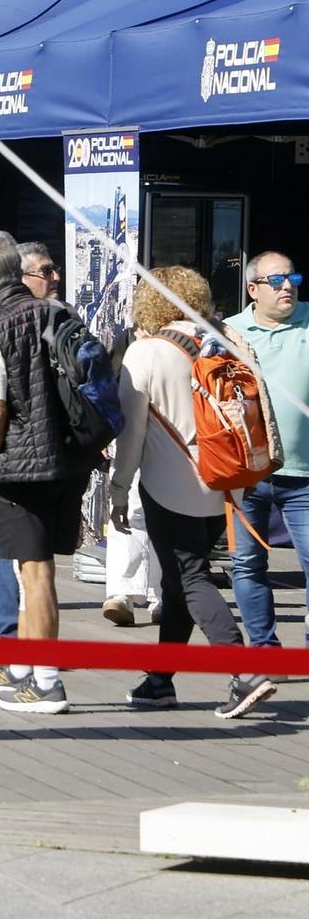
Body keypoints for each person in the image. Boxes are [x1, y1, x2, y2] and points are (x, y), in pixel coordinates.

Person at [112, 266, 278, 719]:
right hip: (225, 480)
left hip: (171, 483)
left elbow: (131, 433)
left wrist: (119, 490)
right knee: (179, 580)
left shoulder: (146, 351)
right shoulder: (225, 340)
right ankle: (160, 681)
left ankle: (245, 670)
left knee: (189, 577)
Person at [0, 232, 98, 715]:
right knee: (28, 570)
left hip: (19, 468)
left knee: (35, 573)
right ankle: (23, 666)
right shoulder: (56, 312)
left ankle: (46, 682)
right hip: (68, 459)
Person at [226, 251, 309, 649]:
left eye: (293, 278)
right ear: (253, 289)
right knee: (246, 563)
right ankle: (263, 650)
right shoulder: (228, 333)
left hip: (304, 476)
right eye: (276, 281)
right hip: (248, 474)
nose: (287, 286)